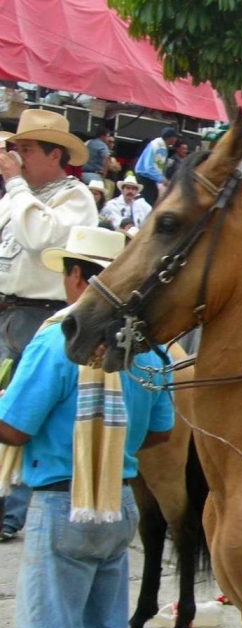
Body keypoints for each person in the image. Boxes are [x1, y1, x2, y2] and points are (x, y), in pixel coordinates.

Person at [0, 225, 173, 628]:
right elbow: (160, 433)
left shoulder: (59, 339)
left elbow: (13, 427)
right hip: (117, 503)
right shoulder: (148, 351)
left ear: (78, 277)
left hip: (60, 503)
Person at [0, 109, 97, 543]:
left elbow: (40, 238)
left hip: (39, 312)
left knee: (24, 410)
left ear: (54, 154)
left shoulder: (75, 197)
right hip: (7, 307)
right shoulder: (15, 195)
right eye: (15, 149)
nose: (17, 157)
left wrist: (16, 184)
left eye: (26, 149)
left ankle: (9, 511)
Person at [134, 126, 178, 205]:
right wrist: (162, 179)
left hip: (152, 179)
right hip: (144, 177)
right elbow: (148, 167)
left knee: (154, 201)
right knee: (147, 203)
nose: (176, 139)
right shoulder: (155, 145)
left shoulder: (164, 147)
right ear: (170, 138)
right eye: (175, 137)